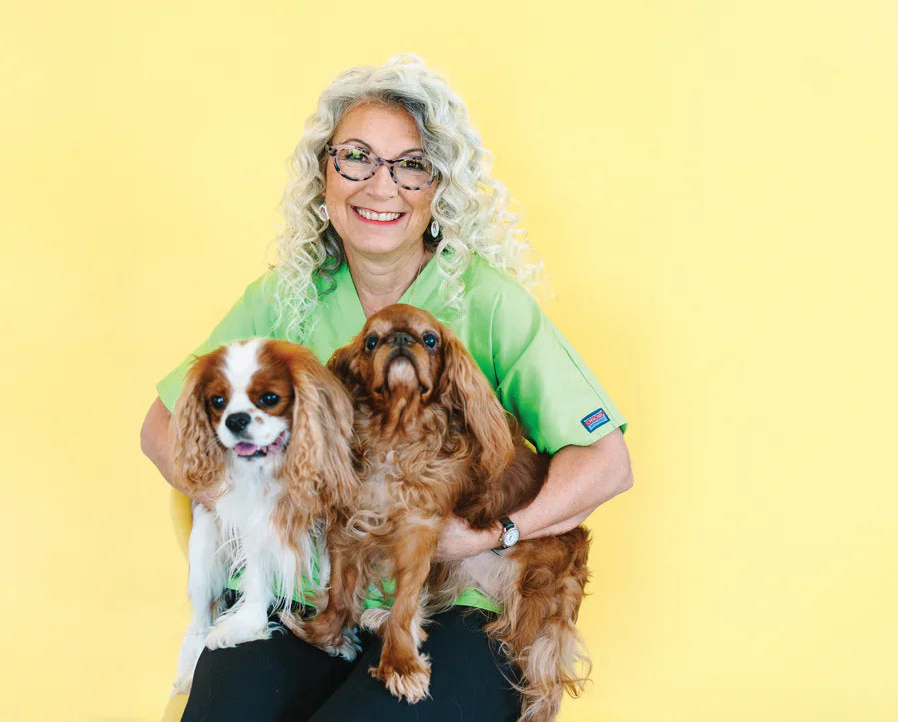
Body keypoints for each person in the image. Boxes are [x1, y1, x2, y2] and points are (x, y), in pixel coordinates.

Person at [140, 54, 633, 721]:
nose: (381, 186)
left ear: (439, 187)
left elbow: (606, 462)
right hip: (307, 593)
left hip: (460, 605)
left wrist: (489, 534)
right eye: (356, 158)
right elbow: (161, 425)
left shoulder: (485, 301)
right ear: (324, 174)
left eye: (410, 164)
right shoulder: (283, 300)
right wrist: (260, 498)